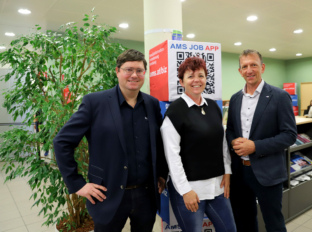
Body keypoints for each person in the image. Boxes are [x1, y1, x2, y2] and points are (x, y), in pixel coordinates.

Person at [53, 49, 168, 232]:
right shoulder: (94, 102)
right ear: (117, 71)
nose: (134, 75)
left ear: (144, 73)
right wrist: (77, 184)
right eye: (128, 69)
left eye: (139, 70)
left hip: (146, 195)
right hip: (108, 194)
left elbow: (159, 142)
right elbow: (62, 142)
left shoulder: (152, 104)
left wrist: (161, 173)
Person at [161, 57, 236, 232]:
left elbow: (222, 142)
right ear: (181, 81)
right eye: (190, 76)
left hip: (217, 186)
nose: (196, 80)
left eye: (201, 76)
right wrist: (185, 190)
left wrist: (227, 171)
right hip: (190, 190)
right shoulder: (175, 112)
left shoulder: (213, 106)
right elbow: (172, 156)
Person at [226, 49, 297, 232]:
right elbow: (231, 130)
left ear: (262, 67)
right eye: (245, 66)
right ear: (240, 71)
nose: (249, 70)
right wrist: (234, 142)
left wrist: (255, 146)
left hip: (267, 173)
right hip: (240, 172)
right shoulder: (235, 99)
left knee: (274, 223)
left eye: (253, 65)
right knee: (244, 221)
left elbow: (289, 135)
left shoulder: (279, 96)